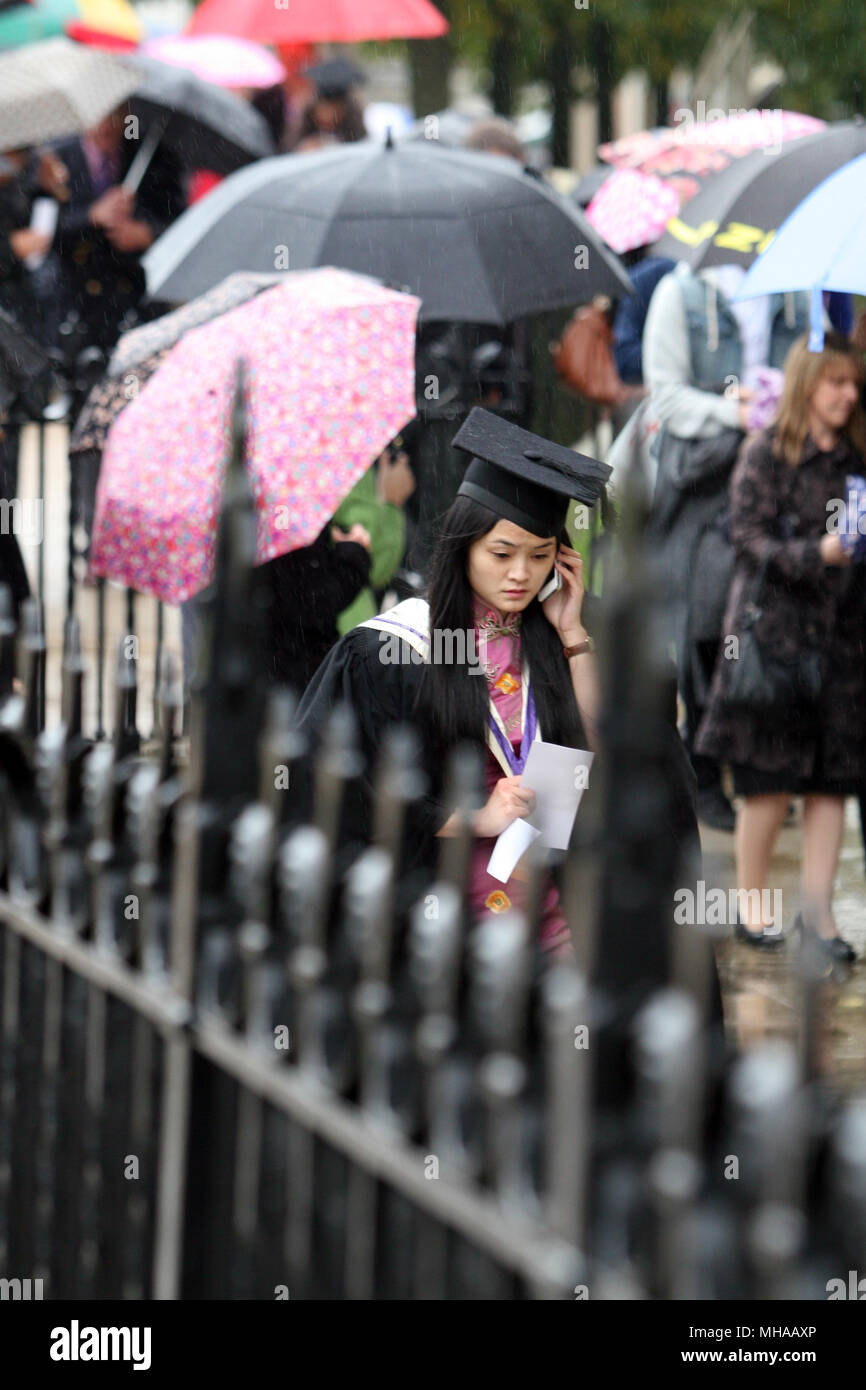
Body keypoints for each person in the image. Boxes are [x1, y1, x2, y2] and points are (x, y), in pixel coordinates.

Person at [296, 409, 699, 955]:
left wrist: (573, 634)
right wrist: (473, 816)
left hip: (554, 908)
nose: (519, 575)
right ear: (464, 547)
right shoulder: (392, 651)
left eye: (539, 556)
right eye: (502, 554)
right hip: (447, 920)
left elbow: (615, 748)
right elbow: (355, 790)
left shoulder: (561, 633)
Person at [696, 333, 866, 958]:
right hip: (771, 641)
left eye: (854, 384)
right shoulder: (766, 452)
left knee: (829, 782)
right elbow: (745, 537)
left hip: (842, 643)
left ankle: (819, 921)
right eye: (837, 382)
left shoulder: (856, 459)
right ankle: (753, 906)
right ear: (806, 384)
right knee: (766, 779)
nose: (849, 394)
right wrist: (812, 553)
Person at [644, 261, 811, 832]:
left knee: (772, 621)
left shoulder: (796, 292)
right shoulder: (681, 292)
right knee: (708, 625)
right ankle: (705, 769)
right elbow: (665, 397)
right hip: (705, 488)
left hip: (779, 482)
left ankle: (759, 766)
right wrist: (738, 413)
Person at [52, 108, 185, 362]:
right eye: (97, 115)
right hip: (74, 300)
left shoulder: (152, 155)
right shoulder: (56, 158)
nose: (104, 126)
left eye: (113, 116)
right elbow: (41, 234)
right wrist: (91, 215)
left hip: (131, 300)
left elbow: (179, 220)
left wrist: (147, 234)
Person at [293, 57, 367, 151]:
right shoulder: (303, 128)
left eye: (333, 110)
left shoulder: (354, 126)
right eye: (323, 110)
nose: (327, 117)